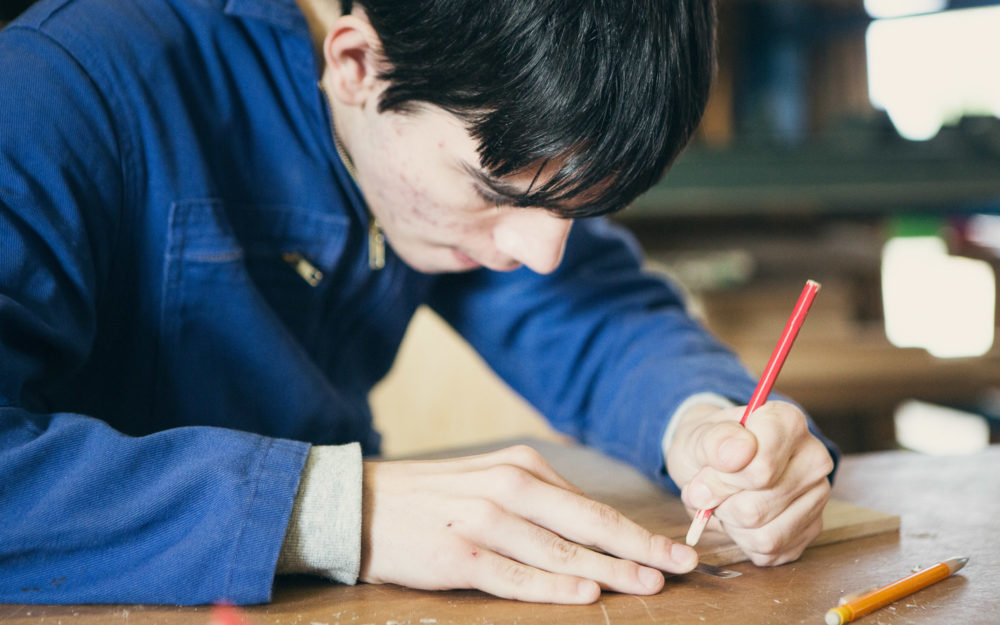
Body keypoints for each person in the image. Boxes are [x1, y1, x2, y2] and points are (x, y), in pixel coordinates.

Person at [0, 0, 838, 607]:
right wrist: (336, 510)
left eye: (574, 212)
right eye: (492, 191)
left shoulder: (463, 127)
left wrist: (703, 424)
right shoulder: (64, 91)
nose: (543, 255)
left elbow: (594, 319)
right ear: (357, 64)